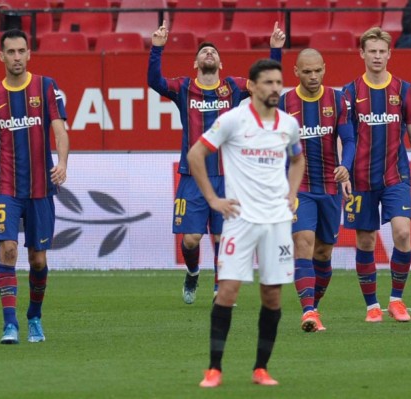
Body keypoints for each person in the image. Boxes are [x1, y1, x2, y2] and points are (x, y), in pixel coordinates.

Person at [148, 20, 287, 304]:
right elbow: (155, 82)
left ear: (221, 63)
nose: (208, 53)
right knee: (191, 240)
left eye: (212, 51)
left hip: (228, 176)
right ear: (195, 62)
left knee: (222, 238)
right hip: (193, 176)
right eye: (203, 52)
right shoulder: (184, 88)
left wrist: (275, 51)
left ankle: (217, 288)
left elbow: (266, 85)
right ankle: (192, 270)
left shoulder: (233, 87)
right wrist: (156, 49)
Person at [188, 58, 305, 388]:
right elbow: (196, 154)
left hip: (277, 222)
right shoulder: (232, 121)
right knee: (227, 291)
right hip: (240, 221)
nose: (275, 89)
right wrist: (213, 200)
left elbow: (298, 158)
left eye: (278, 83)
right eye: (268, 83)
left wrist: (292, 193)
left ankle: (261, 369)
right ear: (252, 86)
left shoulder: (288, 124)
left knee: (272, 296)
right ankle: (214, 369)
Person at [0, 29, 70, 344]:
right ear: (1, 56)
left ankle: (34, 316)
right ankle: (9, 325)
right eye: (11, 52)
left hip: (41, 187)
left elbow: (59, 130)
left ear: (29, 53)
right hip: (6, 185)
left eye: (21, 51)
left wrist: (62, 163)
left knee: (38, 260)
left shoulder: (46, 87)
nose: (17, 57)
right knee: (8, 249)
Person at [342, 27, 411, 323]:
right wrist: (342, 172)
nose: (377, 56)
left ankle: (396, 299)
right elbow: (343, 137)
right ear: (362, 54)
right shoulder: (349, 93)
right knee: (366, 241)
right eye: (372, 51)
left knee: (403, 232)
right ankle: (372, 305)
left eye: (382, 51)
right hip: (359, 179)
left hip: (396, 176)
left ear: (389, 53)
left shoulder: (404, 90)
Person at [279, 48, 355, 332]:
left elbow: (348, 139)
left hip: (330, 186)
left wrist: (345, 165)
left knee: (323, 252)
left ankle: (314, 303)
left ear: (325, 68)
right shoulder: (284, 102)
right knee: (303, 243)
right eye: (306, 71)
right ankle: (308, 311)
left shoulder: (338, 100)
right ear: (295, 72)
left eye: (317, 71)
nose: (313, 76)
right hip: (300, 188)